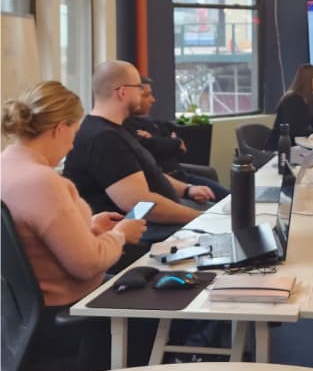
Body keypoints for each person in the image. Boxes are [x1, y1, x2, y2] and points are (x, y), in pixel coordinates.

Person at [1, 81, 146, 371]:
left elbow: (30, 242)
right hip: (65, 311)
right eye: (74, 134)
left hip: (18, 318)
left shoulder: (6, 167)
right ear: (59, 129)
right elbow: (87, 263)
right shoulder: (43, 182)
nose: (71, 146)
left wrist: (88, 226)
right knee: (156, 304)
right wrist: (120, 235)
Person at [63, 60, 215, 244]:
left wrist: (187, 189)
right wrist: (198, 217)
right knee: (219, 229)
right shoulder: (103, 139)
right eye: (139, 88)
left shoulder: (116, 129)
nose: (142, 93)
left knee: (222, 215)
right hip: (142, 228)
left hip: (156, 217)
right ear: (123, 92)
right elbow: (138, 203)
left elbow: (145, 176)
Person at [124, 77, 228, 201]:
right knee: (226, 201)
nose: (153, 100)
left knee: (230, 197)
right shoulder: (126, 127)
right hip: (168, 183)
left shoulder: (152, 122)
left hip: (181, 174)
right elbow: (152, 147)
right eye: (146, 95)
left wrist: (167, 142)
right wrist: (169, 143)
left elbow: (178, 146)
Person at [266, 64, 313, 149]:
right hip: (280, 149)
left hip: (296, 147)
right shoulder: (293, 99)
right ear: (307, 79)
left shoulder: (309, 99)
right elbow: (296, 132)